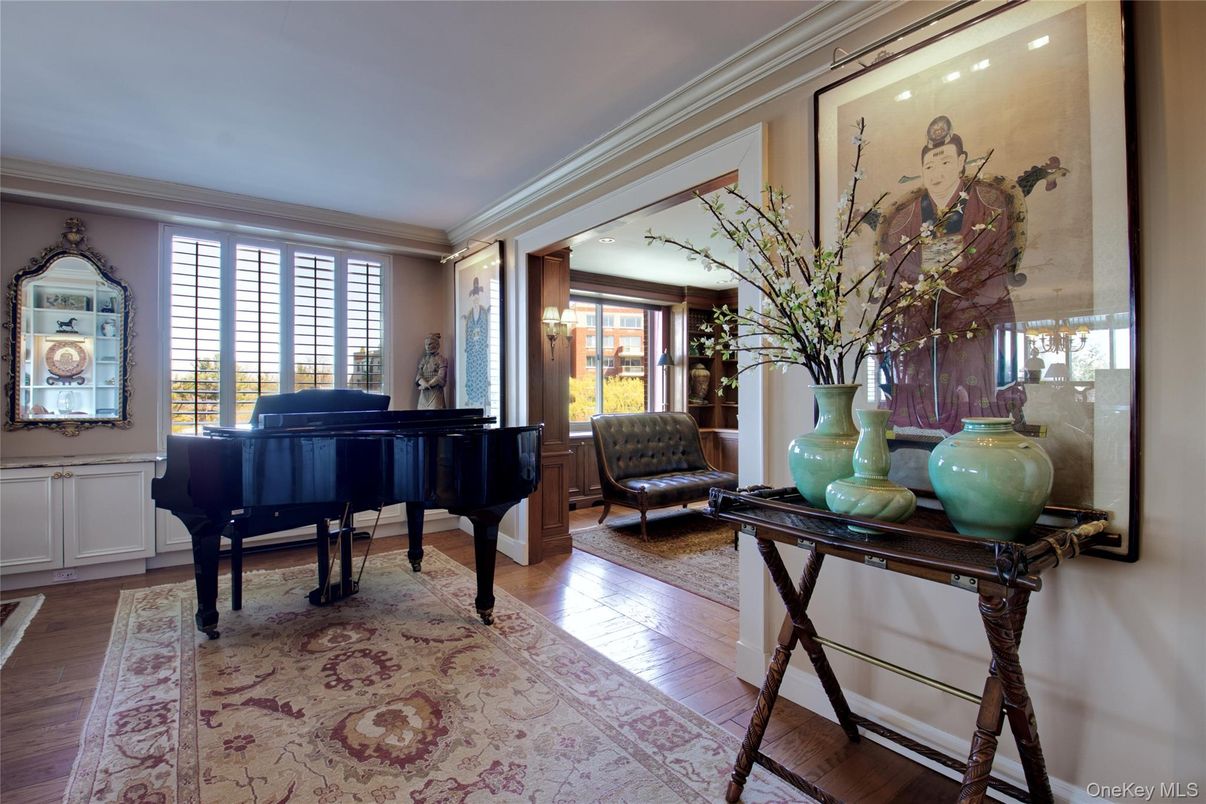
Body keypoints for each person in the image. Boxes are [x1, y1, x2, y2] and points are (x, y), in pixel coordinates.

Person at [875, 115, 1027, 434]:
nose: (936, 173)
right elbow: (898, 262)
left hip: (972, 306)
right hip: (921, 308)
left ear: (961, 162)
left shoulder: (989, 203)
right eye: (929, 166)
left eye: (944, 162)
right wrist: (927, 290)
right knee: (906, 347)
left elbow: (992, 254)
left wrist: (950, 286)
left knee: (971, 356)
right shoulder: (904, 218)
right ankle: (912, 425)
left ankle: (978, 427)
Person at [415, 332, 447, 409]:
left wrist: (428, 384)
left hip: (436, 391)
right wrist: (423, 383)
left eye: (430, 344)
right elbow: (419, 375)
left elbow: (441, 377)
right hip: (424, 392)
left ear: (436, 344)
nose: (427, 346)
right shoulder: (424, 359)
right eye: (426, 344)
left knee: (436, 412)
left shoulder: (442, 359)